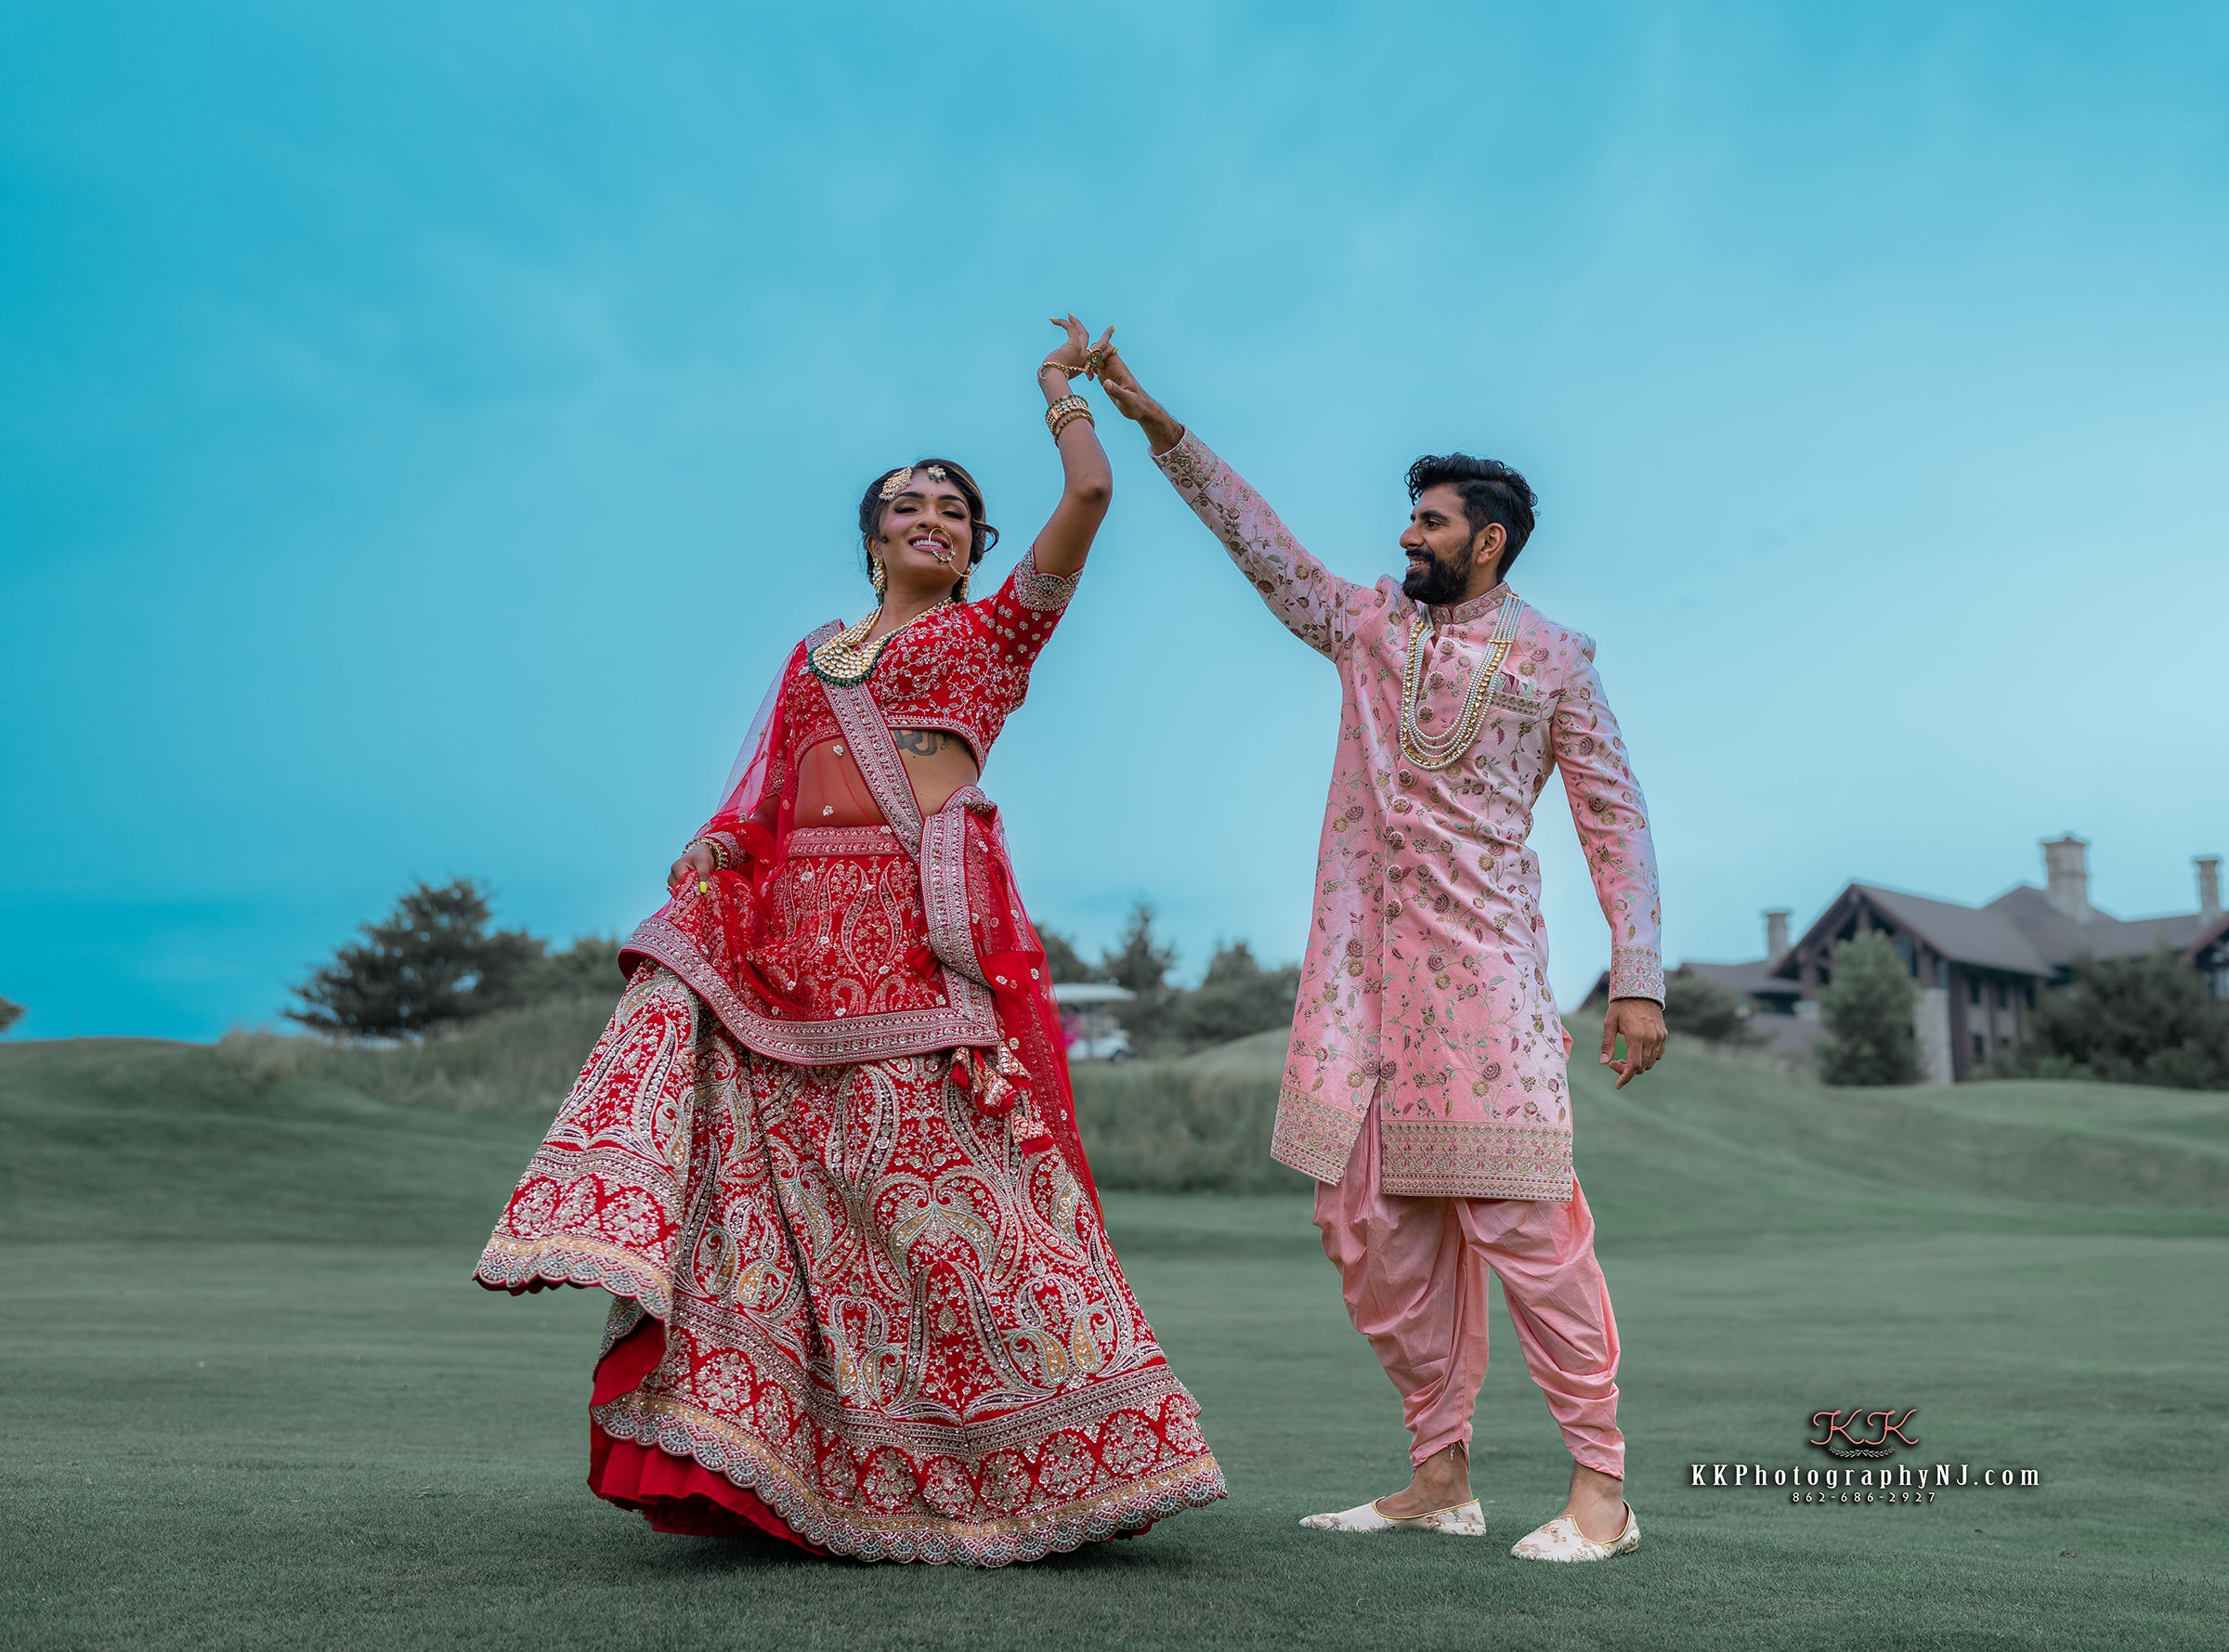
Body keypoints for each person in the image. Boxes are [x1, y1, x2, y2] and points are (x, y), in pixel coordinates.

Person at [477, 318, 1226, 1567]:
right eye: (906, 503)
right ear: (872, 535)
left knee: (965, 1219)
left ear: (977, 546)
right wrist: (719, 851)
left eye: (954, 509)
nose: (930, 516)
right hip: (791, 963)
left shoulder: (992, 635)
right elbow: (767, 803)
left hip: (920, 944)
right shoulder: (812, 657)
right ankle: (793, 1468)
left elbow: (1092, 493)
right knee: (803, 1221)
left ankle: (1065, 1453)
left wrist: (1064, 397)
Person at [1098, 348, 1664, 1563]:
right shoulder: (1364, 630)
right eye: (1409, 518)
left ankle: (1603, 1495)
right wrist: (1162, 430)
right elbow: (1266, 551)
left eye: (1431, 521)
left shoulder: (1556, 660)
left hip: (1489, 982)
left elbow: (1615, 819)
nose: (1407, 536)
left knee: (1525, 1228)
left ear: (1490, 541)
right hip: (1361, 987)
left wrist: (1638, 976)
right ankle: (1439, 1479)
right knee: (1367, 1227)